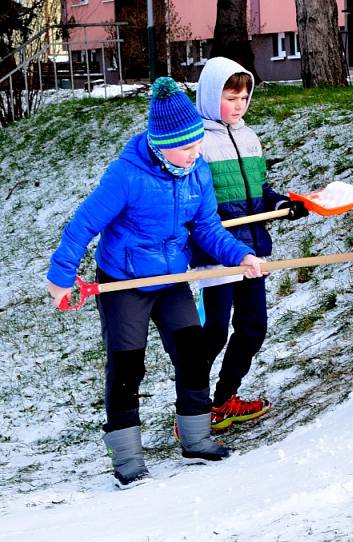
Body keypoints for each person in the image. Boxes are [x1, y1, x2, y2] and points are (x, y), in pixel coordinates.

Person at [46, 77, 264, 489]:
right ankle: (128, 459)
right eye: (187, 147)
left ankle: (197, 439)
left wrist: (241, 256)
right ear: (161, 144)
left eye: (198, 144)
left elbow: (207, 228)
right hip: (124, 281)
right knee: (128, 365)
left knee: (192, 352)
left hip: (170, 278)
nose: (196, 153)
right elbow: (83, 225)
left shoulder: (196, 171)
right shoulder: (126, 175)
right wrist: (61, 276)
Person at [192, 56, 308, 432]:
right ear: (211, 96)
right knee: (213, 334)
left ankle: (223, 400)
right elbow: (194, 202)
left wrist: (279, 205)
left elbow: (258, 190)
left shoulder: (249, 136)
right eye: (231, 97)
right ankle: (192, 410)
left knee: (253, 326)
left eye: (244, 97)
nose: (239, 105)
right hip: (217, 253)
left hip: (252, 251)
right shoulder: (198, 143)